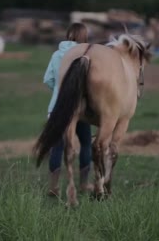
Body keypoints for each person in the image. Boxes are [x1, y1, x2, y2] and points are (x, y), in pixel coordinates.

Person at [43, 23, 93, 197]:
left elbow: (47, 79)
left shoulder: (56, 54)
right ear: (84, 36)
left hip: (57, 107)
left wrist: (58, 91)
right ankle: (84, 184)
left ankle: (54, 187)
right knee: (86, 144)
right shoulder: (86, 55)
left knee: (56, 147)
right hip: (80, 109)